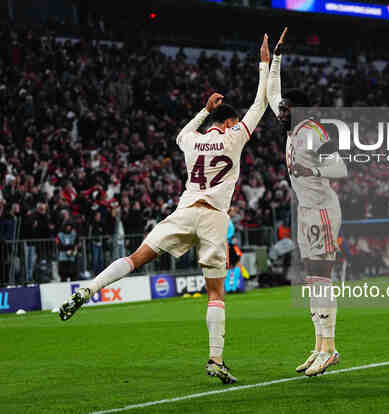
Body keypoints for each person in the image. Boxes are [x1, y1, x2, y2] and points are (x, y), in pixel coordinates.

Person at [58, 34, 271, 385]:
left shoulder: (193, 140)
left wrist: (204, 110)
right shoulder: (235, 137)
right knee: (216, 293)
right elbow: (260, 104)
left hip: (185, 211)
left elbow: (180, 134)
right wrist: (265, 64)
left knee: (136, 257)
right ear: (231, 123)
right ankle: (215, 359)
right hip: (214, 218)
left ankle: (87, 289)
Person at [267, 28, 348, 376]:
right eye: (282, 108)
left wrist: (310, 163)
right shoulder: (293, 130)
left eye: (286, 108)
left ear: (297, 110)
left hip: (323, 209)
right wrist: (276, 58)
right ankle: (319, 347)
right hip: (306, 209)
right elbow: (272, 93)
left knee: (321, 278)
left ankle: (329, 348)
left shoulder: (312, 131)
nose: (280, 111)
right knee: (312, 281)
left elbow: (341, 167)